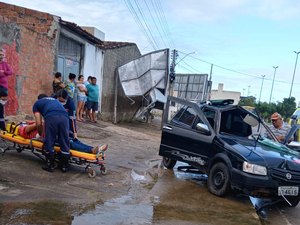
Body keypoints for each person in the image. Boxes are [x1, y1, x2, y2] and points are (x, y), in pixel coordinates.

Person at [55, 89, 107, 155]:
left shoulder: (70, 103)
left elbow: (72, 120)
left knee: (74, 140)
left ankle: (94, 149)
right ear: (57, 97)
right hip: (56, 131)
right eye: (60, 101)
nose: (61, 102)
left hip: (63, 127)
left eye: (63, 101)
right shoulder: (53, 100)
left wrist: (75, 133)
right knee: (70, 142)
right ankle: (91, 150)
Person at [33, 94, 70, 173]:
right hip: (65, 117)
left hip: (52, 116)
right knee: (64, 140)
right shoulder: (55, 101)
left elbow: (39, 123)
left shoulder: (37, 104)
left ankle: (50, 165)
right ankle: (64, 166)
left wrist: (40, 135)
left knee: (49, 139)